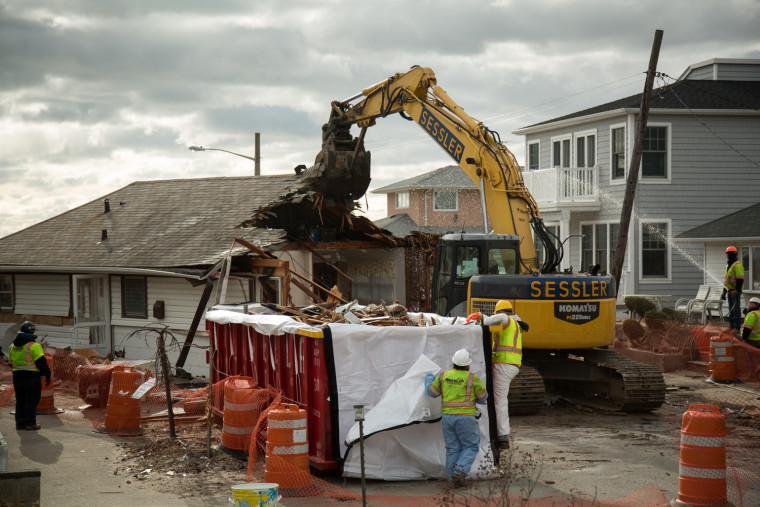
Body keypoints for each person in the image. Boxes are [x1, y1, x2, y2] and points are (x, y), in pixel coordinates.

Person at [466, 300, 527, 450]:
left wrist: (482, 320)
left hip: (504, 364)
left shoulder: (506, 319)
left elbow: (500, 318)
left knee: (500, 400)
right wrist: (482, 316)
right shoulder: (514, 324)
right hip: (510, 364)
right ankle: (500, 433)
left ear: (500, 312)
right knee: (498, 399)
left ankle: (503, 436)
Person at [424, 348, 488, 484]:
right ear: (467, 365)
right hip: (466, 418)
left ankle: (452, 480)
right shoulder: (472, 378)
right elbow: (483, 398)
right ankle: (459, 473)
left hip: (447, 418)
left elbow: (432, 392)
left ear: (453, 363)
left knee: (452, 448)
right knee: (470, 446)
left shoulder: (444, 376)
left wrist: (429, 378)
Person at [9, 321, 51, 430]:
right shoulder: (34, 346)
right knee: (31, 401)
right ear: (32, 332)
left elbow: (10, 363)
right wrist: (47, 374)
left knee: (20, 400)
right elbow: (42, 363)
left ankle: (20, 422)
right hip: (32, 378)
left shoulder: (12, 346)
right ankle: (30, 423)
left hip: (17, 377)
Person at [721, 246, 745, 332]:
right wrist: (724, 292)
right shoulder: (728, 265)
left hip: (735, 291)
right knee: (731, 309)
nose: (726, 256)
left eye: (727, 254)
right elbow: (727, 280)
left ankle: (737, 328)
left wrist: (737, 290)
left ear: (730, 254)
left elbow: (740, 279)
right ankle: (731, 326)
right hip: (729, 290)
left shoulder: (737, 265)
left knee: (736, 309)